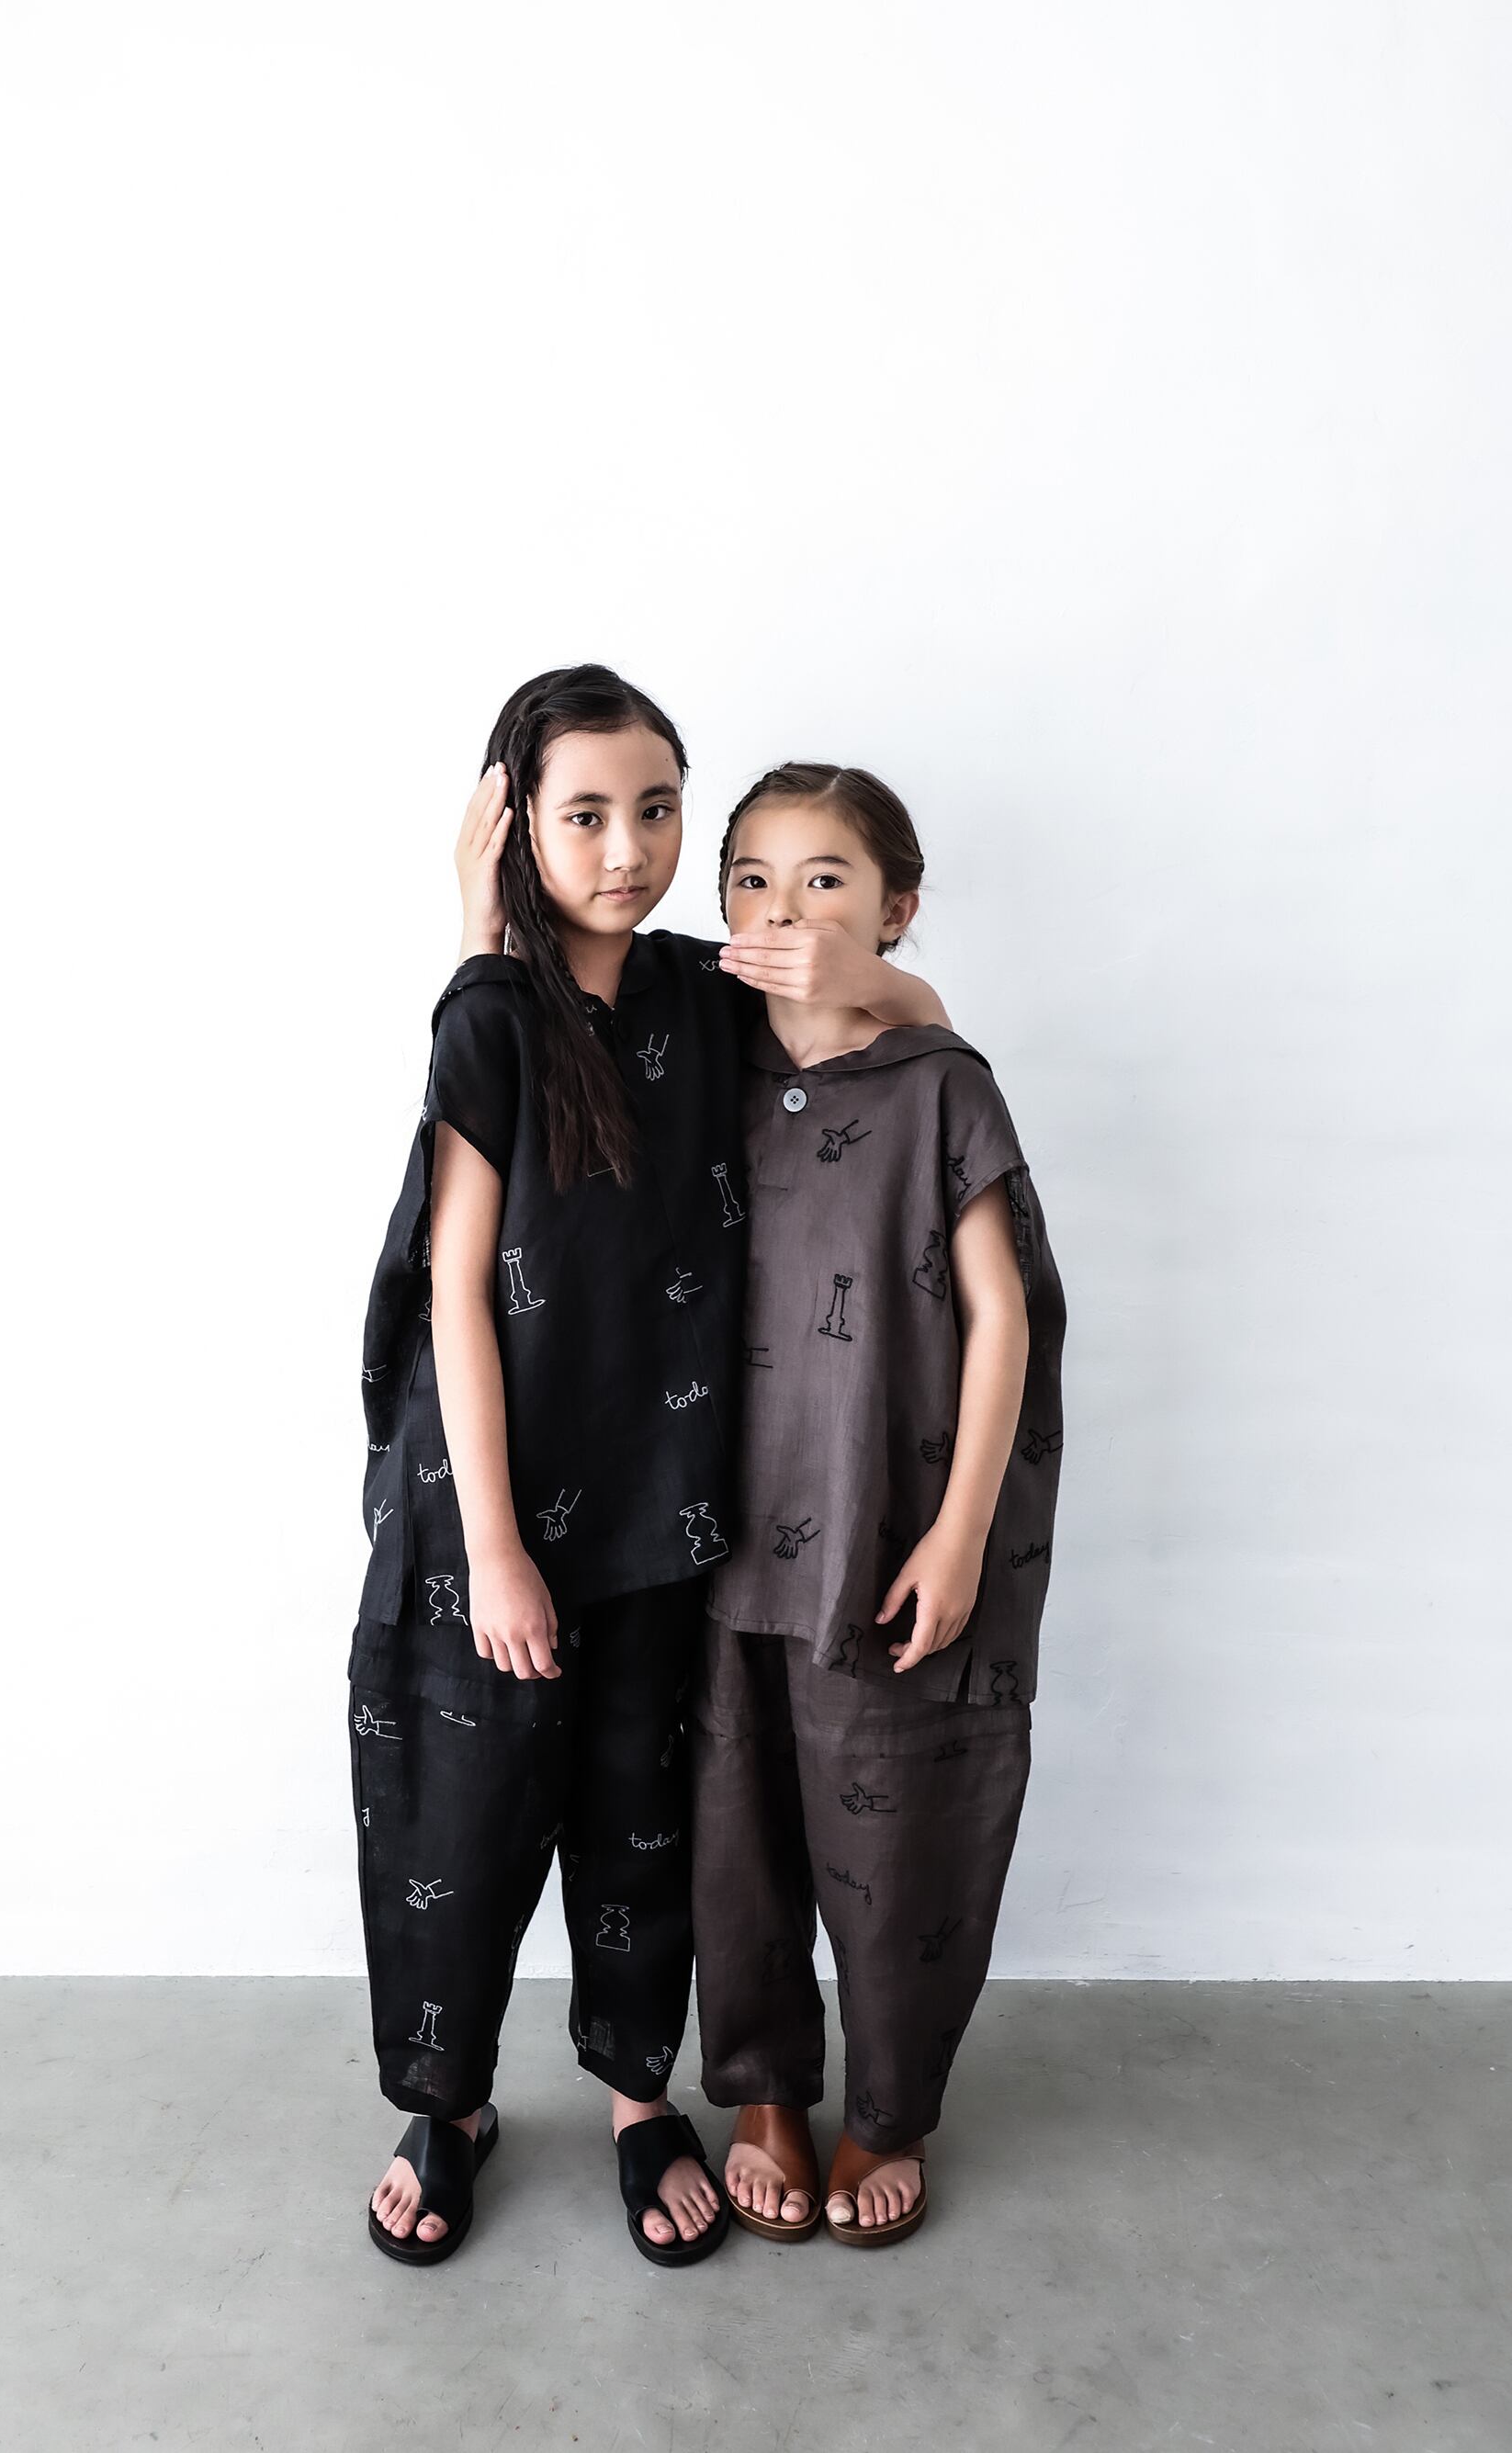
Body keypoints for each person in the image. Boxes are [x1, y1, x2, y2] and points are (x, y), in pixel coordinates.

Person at [351, 673, 952, 2266]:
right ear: (515, 826)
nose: (628, 848)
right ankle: (449, 2106)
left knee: (640, 1822)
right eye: (584, 814)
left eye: (657, 808)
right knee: (462, 1822)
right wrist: (493, 1545)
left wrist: (872, 971)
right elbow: (454, 1288)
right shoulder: (489, 1014)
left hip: (665, 1505)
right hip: (489, 1506)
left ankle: (637, 2097)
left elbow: (914, 1033)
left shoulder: (702, 986)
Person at [688, 763, 1066, 2245]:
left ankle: (890, 2109)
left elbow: (1003, 1315)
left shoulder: (940, 1084)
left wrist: (960, 1530)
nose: (783, 911)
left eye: (824, 879)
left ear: (897, 906)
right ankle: (764, 2093)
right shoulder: (693, 1061)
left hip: (881, 1525)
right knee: (729, 1832)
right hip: (713, 1531)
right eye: (751, 878)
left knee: (901, 1834)